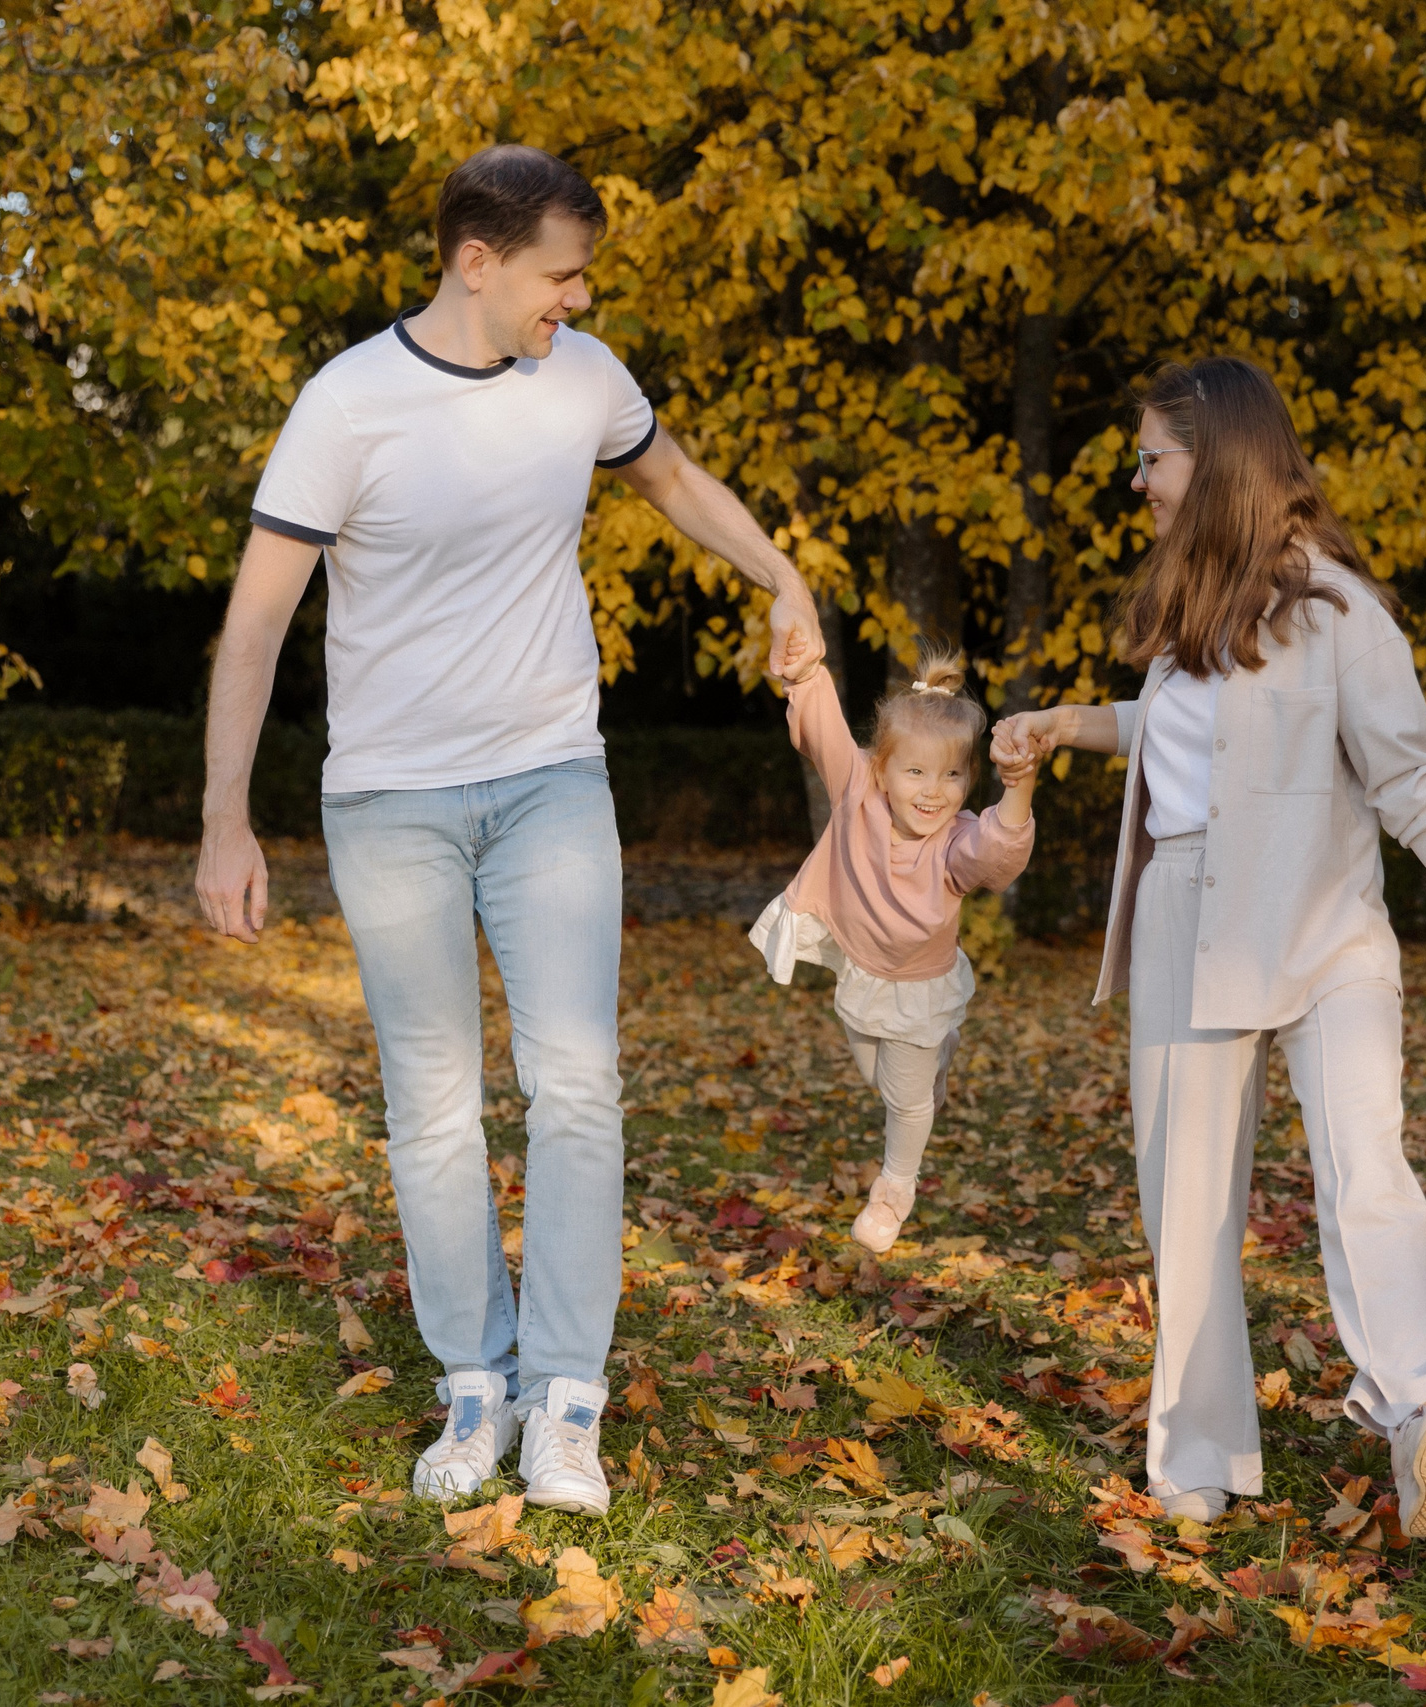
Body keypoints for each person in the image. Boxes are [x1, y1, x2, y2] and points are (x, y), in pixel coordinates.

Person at [194, 145, 826, 1517]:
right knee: (432, 1104)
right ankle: (475, 1388)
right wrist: (224, 820)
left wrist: (781, 572)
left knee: (578, 1085)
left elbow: (675, 482)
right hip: (391, 803)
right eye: (560, 272)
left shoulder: (582, 378)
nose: (578, 296)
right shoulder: (348, 405)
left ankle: (567, 1402)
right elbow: (256, 623)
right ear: (476, 262)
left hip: (550, 779)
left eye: (583, 273)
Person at [991, 356, 1426, 1538]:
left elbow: (1411, 783)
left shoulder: (1341, 611)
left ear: (1220, 459)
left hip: (1325, 922)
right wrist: (1075, 724)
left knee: (1369, 1173)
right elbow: (1203, 732)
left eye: (1152, 457)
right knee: (1186, 1201)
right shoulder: (1198, 600)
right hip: (1187, 914)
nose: (1138, 482)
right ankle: (1196, 1450)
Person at [748, 644, 1039, 1253]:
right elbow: (823, 728)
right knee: (880, 1081)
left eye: (952, 775)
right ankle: (934, 1062)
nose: (933, 792)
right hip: (863, 969)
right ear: (880, 769)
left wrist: (1018, 788)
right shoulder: (857, 791)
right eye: (916, 772)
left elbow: (996, 855)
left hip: (920, 986)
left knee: (905, 1103)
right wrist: (802, 668)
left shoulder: (956, 842)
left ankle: (893, 1191)